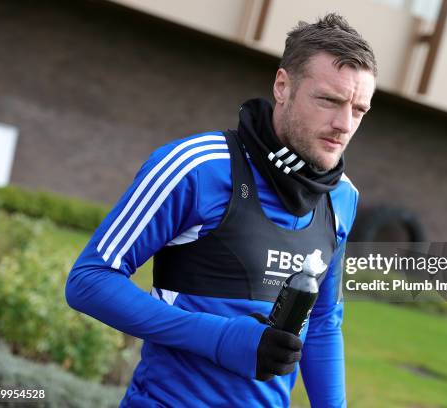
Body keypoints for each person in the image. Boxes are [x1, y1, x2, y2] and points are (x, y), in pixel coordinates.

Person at [65, 12, 376, 407]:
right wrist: (221, 338)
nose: (344, 124)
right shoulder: (196, 167)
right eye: (329, 101)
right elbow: (89, 280)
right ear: (283, 86)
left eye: (359, 110)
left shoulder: (342, 197)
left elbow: (322, 322)